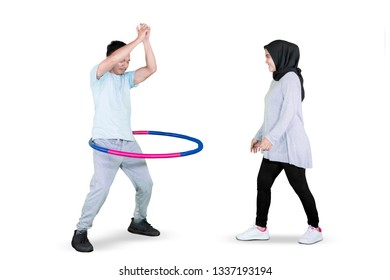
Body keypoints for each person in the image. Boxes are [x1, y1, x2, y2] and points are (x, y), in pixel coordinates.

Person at [72, 23, 158, 253]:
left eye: (128, 61)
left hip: (128, 142)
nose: (126, 64)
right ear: (112, 57)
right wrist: (137, 39)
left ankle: (138, 221)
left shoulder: (126, 79)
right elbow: (111, 62)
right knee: (100, 188)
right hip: (104, 143)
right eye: (123, 60)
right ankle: (80, 231)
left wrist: (146, 41)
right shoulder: (98, 75)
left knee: (146, 184)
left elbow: (151, 68)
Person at [236, 40, 323, 245]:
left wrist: (270, 138)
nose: (265, 61)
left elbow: (288, 113)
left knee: (300, 187)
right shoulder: (277, 79)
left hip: (291, 145)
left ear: (280, 55)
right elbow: (271, 116)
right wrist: (259, 135)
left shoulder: (291, 78)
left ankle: (315, 227)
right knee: (263, 183)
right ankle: (260, 227)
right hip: (275, 146)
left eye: (268, 56)